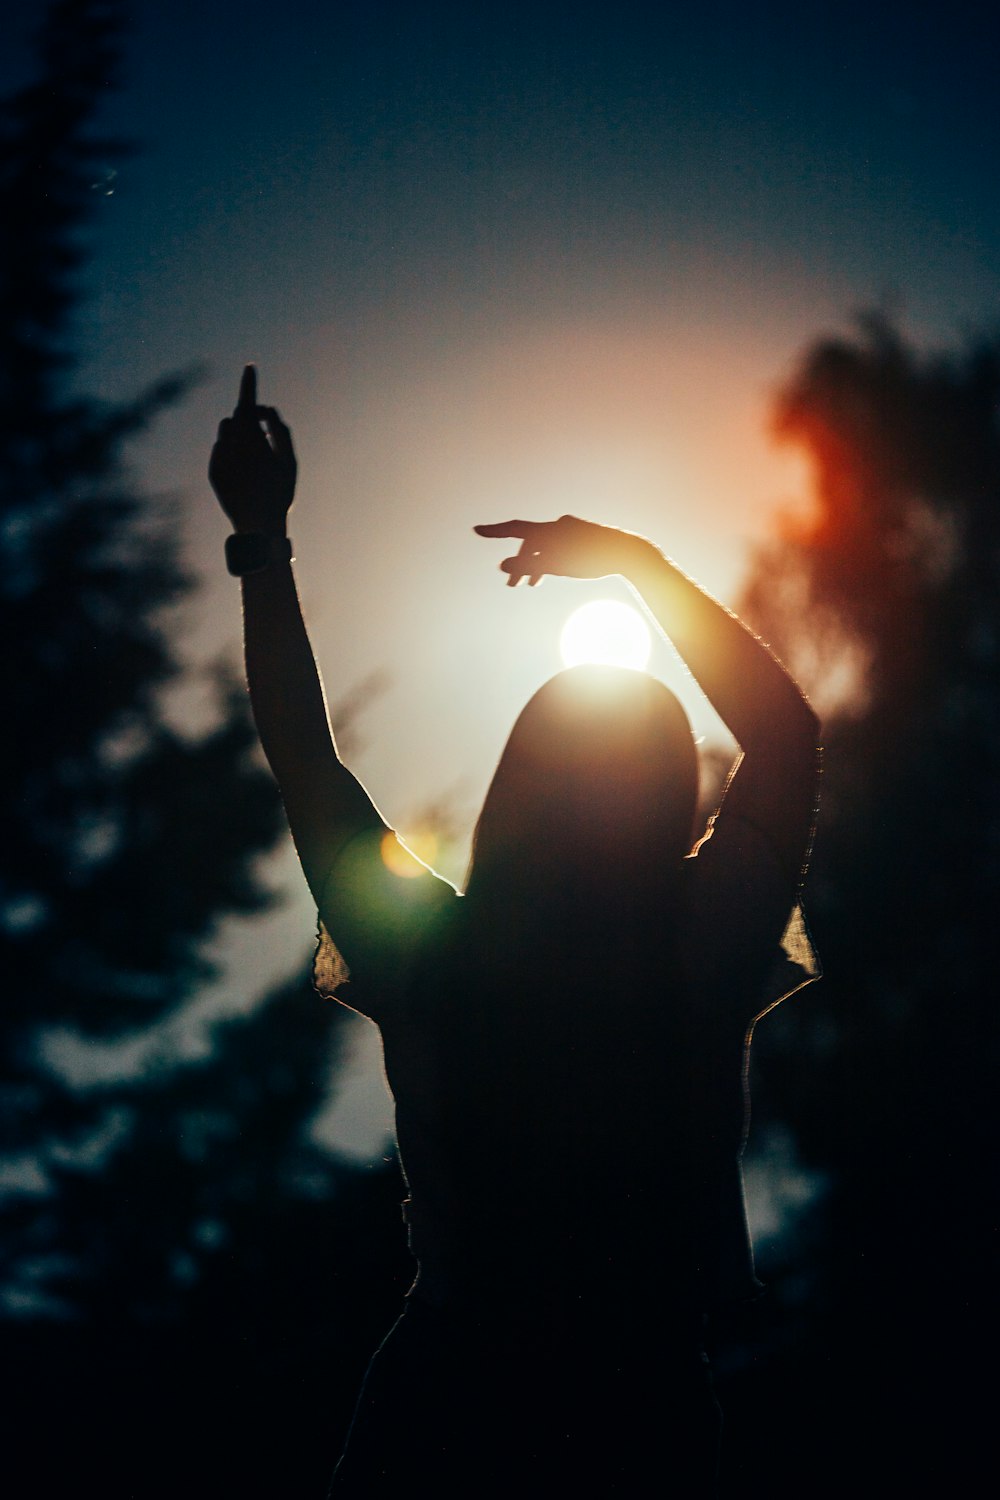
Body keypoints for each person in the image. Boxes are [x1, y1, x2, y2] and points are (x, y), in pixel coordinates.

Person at [209, 366, 821, 1496]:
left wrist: (261, 540)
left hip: (447, 1396)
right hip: (638, 1403)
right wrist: (637, 568)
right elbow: (786, 738)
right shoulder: (699, 945)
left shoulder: (431, 950)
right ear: (670, 798)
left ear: (513, 792)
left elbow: (304, 759)